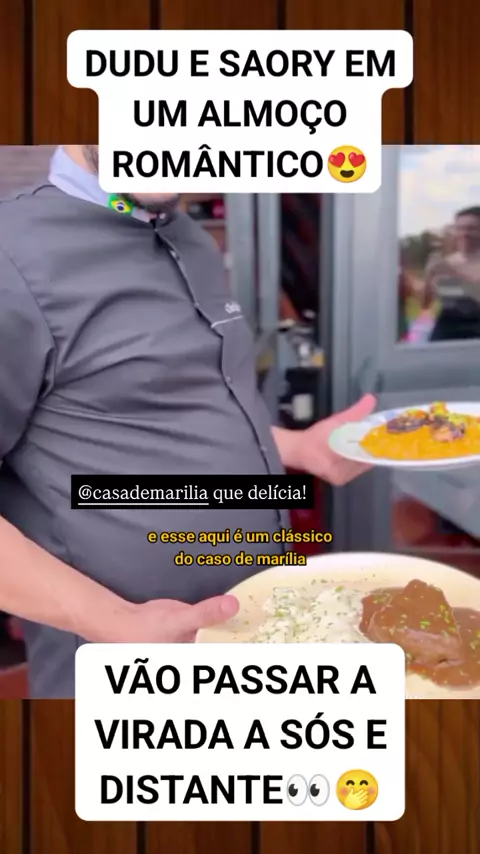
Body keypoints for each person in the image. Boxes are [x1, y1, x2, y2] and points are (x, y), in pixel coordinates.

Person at [0, 146, 375, 698]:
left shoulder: (188, 237)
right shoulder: (10, 255)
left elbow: (161, 408)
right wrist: (113, 622)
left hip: (254, 626)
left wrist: (300, 449)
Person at [422, 207, 480, 340]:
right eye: (460, 228)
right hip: (446, 328)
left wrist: (453, 273)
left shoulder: (447, 267)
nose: (464, 233)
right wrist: (428, 275)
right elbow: (425, 303)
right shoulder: (446, 262)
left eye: (471, 228)